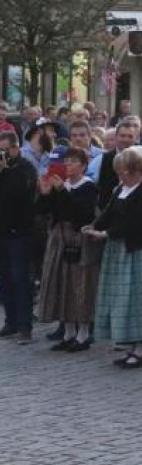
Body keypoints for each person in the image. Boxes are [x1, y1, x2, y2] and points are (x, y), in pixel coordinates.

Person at [85, 148, 142, 367]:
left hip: (136, 251)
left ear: (137, 170)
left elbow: (138, 223)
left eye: (124, 172)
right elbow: (109, 213)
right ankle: (130, 347)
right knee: (120, 299)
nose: (121, 177)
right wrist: (94, 226)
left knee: (135, 300)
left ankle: (141, 348)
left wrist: (107, 233)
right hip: (118, 250)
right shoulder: (121, 189)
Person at [36, 147, 100, 352]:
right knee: (62, 282)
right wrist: (46, 195)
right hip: (60, 238)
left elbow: (80, 215)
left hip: (78, 238)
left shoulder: (88, 187)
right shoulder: (61, 185)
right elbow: (46, 212)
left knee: (79, 284)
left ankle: (83, 334)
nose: (68, 165)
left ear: (83, 165)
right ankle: (68, 332)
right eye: (67, 162)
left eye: (73, 162)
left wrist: (62, 192)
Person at [0, 133, 39, 343]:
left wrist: (5, 172)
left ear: (15, 148)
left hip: (20, 233)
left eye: (6, 150)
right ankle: (11, 321)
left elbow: (21, 195)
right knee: (4, 279)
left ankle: (25, 326)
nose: (3, 155)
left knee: (21, 279)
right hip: (3, 233)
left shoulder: (25, 169)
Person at [94, 121, 137, 208]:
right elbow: (103, 186)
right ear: (116, 137)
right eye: (122, 136)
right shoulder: (106, 158)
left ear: (135, 139)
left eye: (130, 136)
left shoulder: (141, 157)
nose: (126, 139)